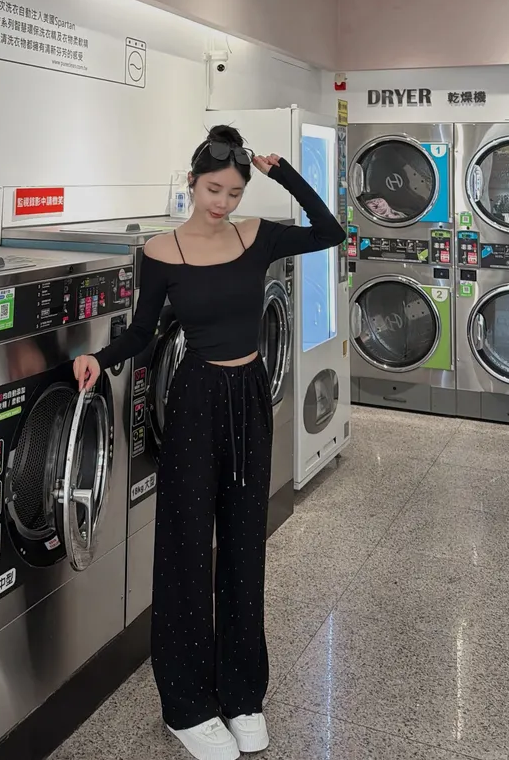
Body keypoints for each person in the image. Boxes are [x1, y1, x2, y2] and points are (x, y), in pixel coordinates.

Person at [73, 125, 345, 760]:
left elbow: (330, 232)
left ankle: (243, 694)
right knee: (187, 549)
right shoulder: (161, 251)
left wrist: (285, 174)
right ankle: (188, 705)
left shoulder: (258, 236)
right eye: (213, 189)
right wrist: (100, 359)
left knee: (246, 546)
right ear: (193, 183)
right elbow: (143, 331)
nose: (223, 202)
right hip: (195, 399)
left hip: (249, 397)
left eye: (235, 192)